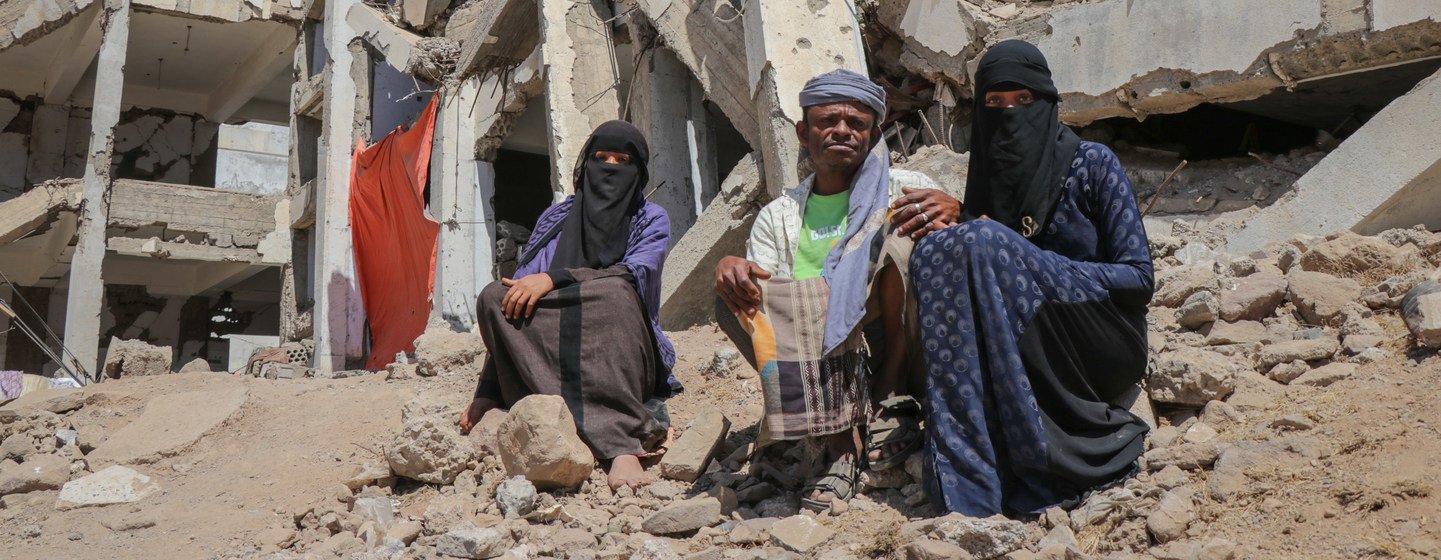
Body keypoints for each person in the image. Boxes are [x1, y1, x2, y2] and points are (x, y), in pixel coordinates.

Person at [911, 40, 1154, 517]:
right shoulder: (987, 181)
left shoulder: (1092, 164)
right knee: (938, 247)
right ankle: (967, 475)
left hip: (1099, 343)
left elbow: (1139, 278)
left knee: (982, 240)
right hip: (1021, 354)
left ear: (1047, 102)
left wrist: (1029, 262)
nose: (1009, 115)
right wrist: (969, 225)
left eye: (1024, 101)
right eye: (994, 104)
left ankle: (1047, 456)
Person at [714, 69, 962, 511]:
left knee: (901, 242)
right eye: (829, 121)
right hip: (815, 355)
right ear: (804, 132)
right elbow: (769, 302)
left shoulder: (909, 188)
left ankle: (887, 401)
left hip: (895, 342)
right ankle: (835, 435)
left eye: (857, 123)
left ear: (874, 132)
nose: (843, 131)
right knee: (737, 290)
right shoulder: (778, 216)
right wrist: (733, 269)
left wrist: (959, 211)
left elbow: (955, 263)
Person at [457, 120, 681, 491]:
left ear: (637, 171)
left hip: (619, 346)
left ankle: (621, 445)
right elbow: (518, 294)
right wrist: (486, 391)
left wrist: (555, 279)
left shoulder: (650, 219)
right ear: (585, 164)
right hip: (550, 351)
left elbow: (635, 274)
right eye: (601, 157)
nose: (609, 167)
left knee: (615, 294)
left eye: (622, 160)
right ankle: (546, 407)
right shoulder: (556, 218)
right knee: (495, 297)